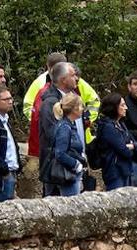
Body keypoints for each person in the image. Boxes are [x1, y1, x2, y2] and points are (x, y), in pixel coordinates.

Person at [39, 62, 85, 197]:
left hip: (74, 167)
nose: (76, 78)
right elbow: (55, 137)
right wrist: (76, 162)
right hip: (60, 171)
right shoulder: (50, 102)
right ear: (63, 79)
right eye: (73, 75)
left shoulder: (73, 98)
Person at [94, 93, 136, 190]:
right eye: (122, 105)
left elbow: (136, 144)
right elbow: (124, 151)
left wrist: (131, 146)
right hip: (114, 172)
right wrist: (129, 146)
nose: (126, 108)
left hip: (125, 170)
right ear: (113, 107)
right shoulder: (108, 127)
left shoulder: (121, 124)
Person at [51, 92, 87, 197]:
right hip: (68, 175)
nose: (82, 109)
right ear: (74, 109)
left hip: (74, 174)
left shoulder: (70, 125)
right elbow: (60, 153)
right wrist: (75, 164)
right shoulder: (64, 128)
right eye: (80, 106)